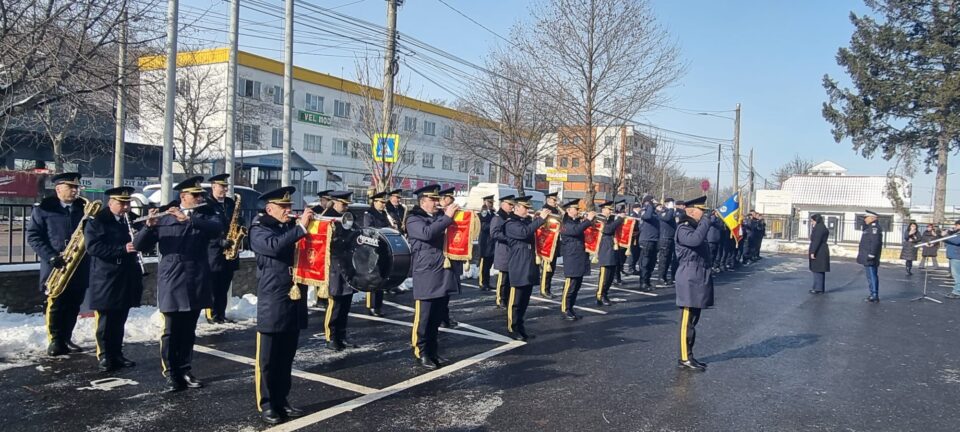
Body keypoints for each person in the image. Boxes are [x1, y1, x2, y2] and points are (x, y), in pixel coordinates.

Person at [133, 176, 223, 392]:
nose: (200, 197)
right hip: (173, 278)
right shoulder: (165, 216)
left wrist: (188, 219)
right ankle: (171, 372)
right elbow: (138, 245)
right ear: (183, 197)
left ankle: (185, 368)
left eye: (201, 194)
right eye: (196, 195)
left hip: (196, 278)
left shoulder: (205, 214)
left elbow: (218, 229)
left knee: (189, 329)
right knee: (172, 329)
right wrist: (148, 226)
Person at [249, 186, 312, 424]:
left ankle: (282, 399)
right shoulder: (258, 228)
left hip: (292, 297)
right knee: (267, 359)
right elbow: (274, 246)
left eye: (289, 206)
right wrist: (302, 228)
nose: (288, 210)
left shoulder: (287, 227)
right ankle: (267, 404)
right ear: (269, 209)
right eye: (283, 207)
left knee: (286, 356)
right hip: (272, 299)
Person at [26, 172, 90, 356]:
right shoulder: (44, 209)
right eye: (71, 187)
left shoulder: (83, 209)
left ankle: (66, 337)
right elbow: (33, 236)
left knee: (74, 303)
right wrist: (51, 256)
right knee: (55, 303)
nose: (75, 191)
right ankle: (55, 340)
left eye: (76, 187)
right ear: (58, 189)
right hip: (55, 265)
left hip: (78, 265)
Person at [84, 186, 144, 372]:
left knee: (121, 317)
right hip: (106, 276)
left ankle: (117, 353)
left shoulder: (132, 220)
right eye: (121, 203)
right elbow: (93, 248)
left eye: (127, 203)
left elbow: (144, 240)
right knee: (106, 319)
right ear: (111, 203)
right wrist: (122, 249)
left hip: (127, 275)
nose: (125, 207)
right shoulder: (98, 221)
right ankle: (104, 355)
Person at [406, 184, 460, 370]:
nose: (437, 203)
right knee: (425, 317)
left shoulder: (438, 218)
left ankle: (433, 350)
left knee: (436, 317)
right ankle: (421, 351)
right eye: (433, 200)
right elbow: (427, 234)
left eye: (438, 199)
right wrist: (447, 217)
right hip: (426, 272)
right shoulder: (413, 219)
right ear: (423, 201)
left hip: (442, 271)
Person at [674, 196, 714, 372]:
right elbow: (695, 241)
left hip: (698, 274)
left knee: (694, 319)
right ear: (690, 211)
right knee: (687, 321)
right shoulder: (684, 228)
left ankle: (690, 355)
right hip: (689, 275)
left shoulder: (697, 227)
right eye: (701, 210)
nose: (703, 213)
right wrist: (706, 222)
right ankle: (684, 357)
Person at [503, 196, 550, 340]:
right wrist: (539, 219)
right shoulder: (510, 223)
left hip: (529, 264)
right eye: (525, 207)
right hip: (518, 265)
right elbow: (524, 233)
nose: (527, 210)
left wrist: (538, 220)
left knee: (524, 301)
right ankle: (512, 328)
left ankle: (521, 326)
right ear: (516, 208)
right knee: (515, 301)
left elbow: (532, 230)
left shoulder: (526, 221)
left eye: (528, 208)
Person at [321, 191, 358, 351]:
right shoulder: (327, 217)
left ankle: (341, 335)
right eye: (343, 204)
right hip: (334, 265)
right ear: (335, 202)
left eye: (347, 204)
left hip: (347, 264)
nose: (345, 207)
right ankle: (331, 336)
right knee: (335, 303)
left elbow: (355, 231)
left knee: (346, 303)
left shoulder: (347, 217)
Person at [205, 173, 241, 324]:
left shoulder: (229, 203)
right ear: (213, 186)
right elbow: (204, 228)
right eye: (222, 187)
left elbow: (237, 219)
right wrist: (219, 241)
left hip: (230, 250)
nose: (224, 190)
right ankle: (211, 314)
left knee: (225, 284)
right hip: (214, 251)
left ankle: (221, 313)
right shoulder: (206, 205)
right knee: (213, 284)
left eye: (226, 187)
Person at [559, 199, 596, 320]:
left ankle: (571, 308)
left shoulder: (576, 221)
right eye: (576, 209)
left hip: (579, 257)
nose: (578, 211)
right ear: (569, 210)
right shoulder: (565, 223)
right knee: (570, 285)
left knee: (577, 286)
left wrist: (590, 220)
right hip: (571, 258)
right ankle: (565, 309)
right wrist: (587, 220)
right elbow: (576, 231)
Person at [362, 191, 391, 317]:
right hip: (373, 249)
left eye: (384, 202)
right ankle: (372, 305)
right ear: (375, 202)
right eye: (381, 202)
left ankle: (378, 306)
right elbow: (368, 230)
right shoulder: (369, 214)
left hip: (383, 248)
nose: (383, 205)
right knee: (374, 277)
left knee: (382, 278)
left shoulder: (383, 213)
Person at [437, 187, 460, 329]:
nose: (450, 202)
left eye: (452, 199)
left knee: (446, 290)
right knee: (439, 290)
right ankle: (440, 317)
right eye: (448, 199)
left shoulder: (457, 214)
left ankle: (444, 316)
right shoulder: (438, 214)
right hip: (440, 255)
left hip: (452, 253)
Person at [595, 201, 623, 306]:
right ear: (603, 210)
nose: (611, 211)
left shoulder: (609, 219)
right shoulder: (600, 218)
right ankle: (600, 295)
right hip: (604, 250)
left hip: (612, 249)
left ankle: (605, 293)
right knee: (605, 276)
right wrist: (619, 219)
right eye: (609, 210)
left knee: (611, 275)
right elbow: (607, 230)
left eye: (611, 210)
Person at [491, 195, 516, 309]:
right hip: (503, 250)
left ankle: (507, 298)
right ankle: (500, 299)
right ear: (502, 204)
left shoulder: (511, 217)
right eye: (509, 204)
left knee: (510, 279)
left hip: (511, 251)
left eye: (512, 204)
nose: (512, 207)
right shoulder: (498, 217)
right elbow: (494, 233)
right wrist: (508, 237)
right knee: (503, 278)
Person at [857, 210, 883, 303]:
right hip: (867, 255)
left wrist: (872, 254)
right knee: (869, 275)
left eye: (866, 217)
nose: (865, 219)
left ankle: (874, 294)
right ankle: (872, 293)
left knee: (872, 275)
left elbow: (875, 242)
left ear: (872, 218)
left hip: (870, 256)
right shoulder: (868, 227)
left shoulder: (874, 228)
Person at [539, 192, 561, 298]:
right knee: (546, 268)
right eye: (554, 200)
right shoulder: (545, 210)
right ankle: (544, 289)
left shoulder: (557, 210)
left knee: (552, 269)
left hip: (555, 242)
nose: (555, 202)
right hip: (547, 242)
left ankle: (548, 288)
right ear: (548, 200)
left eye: (556, 200)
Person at [637, 195, 660, 290]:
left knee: (652, 262)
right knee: (645, 262)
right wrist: (650, 205)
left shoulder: (654, 212)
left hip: (654, 240)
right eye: (652, 202)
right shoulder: (644, 210)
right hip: (646, 240)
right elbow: (647, 217)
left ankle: (648, 281)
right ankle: (643, 283)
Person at [656, 198, 677, 287]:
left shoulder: (670, 212)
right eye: (671, 203)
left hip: (670, 238)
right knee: (663, 259)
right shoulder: (663, 212)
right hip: (664, 238)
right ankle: (660, 277)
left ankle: (664, 277)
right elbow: (668, 218)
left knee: (668, 259)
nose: (673, 205)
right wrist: (671, 208)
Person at [477, 195, 496, 291]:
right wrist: (494, 226)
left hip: (492, 242)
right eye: (489, 202)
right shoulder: (483, 213)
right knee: (484, 264)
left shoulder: (493, 213)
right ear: (485, 202)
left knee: (489, 264)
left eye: (492, 202)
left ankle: (487, 282)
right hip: (485, 241)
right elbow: (483, 226)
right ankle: (482, 282)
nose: (491, 204)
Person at [808, 214, 831, 294]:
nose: (811, 223)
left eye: (812, 221)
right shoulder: (822, 227)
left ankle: (818, 288)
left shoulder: (819, 229)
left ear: (816, 220)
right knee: (818, 270)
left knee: (817, 269)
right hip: (822, 250)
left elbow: (816, 241)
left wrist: (813, 252)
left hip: (819, 251)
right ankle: (818, 287)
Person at [942, 220, 960, 300]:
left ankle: (957, 292)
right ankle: (956, 290)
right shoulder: (956, 234)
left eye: (956, 225)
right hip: (954, 256)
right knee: (956, 275)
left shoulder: (958, 235)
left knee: (957, 275)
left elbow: (956, 241)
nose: (955, 227)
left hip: (957, 256)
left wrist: (945, 237)